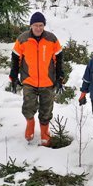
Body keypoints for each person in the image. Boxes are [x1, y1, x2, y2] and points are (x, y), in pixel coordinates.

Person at [9, 12, 64, 147]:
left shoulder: (51, 39)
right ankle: (30, 124)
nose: (38, 28)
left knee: (46, 109)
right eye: (35, 25)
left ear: (44, 25)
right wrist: (13, 76)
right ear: (31, 26)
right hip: (29, 80)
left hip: (47, 81)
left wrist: (59, 77)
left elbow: (59, 59)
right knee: (28, 106)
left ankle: (45, 133)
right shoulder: (23, 39)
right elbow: (15, 59)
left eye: (41, 25)